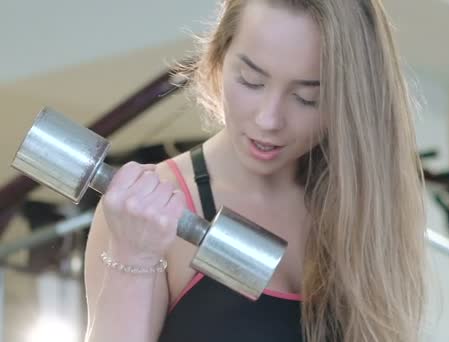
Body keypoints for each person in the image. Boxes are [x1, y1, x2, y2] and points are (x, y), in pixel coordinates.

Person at [83, 0, 427, 341]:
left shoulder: (368, 212)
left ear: (349, 101)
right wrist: (133, 254)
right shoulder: (148, 209)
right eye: (251, 80)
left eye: (307, 98)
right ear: (219, 58)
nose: (268, 119)